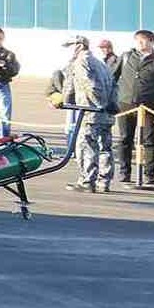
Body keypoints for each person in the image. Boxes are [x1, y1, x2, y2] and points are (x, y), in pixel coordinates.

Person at [113, 29, 154, 190]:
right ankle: (124, 173)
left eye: (144, 40)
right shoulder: (126, 57)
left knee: (149, 141)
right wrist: (111, 101)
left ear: (152, 42)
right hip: (125, 105)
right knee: (125, 139)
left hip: (148, 107)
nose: (140, 44)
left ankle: (149, 175)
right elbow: (112, 78)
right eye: (138, 40)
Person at [54, 36, 116, 192]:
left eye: (71, 46)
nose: (70, 50)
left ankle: (87, 181)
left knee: (86, 146)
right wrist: (111, 106)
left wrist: (98, 104)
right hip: (106, 113)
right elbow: (114, 86)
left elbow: (88, 85)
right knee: (105, 147)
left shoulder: (81, 62)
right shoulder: (101, 64)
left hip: (91, 112)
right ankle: (104, 181)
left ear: (80, 46)